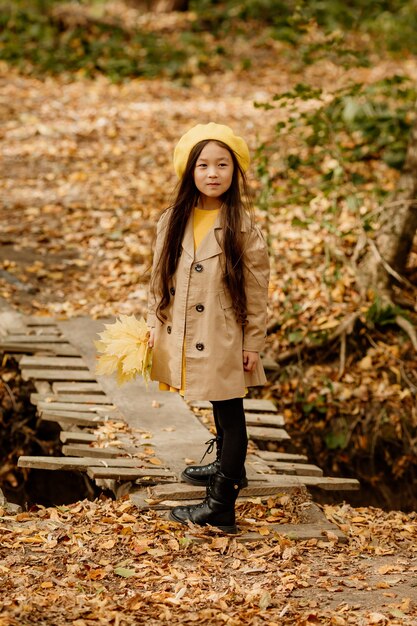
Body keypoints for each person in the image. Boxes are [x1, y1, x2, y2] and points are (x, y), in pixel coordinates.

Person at [147, 122, 270, 533]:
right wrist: (153, 323)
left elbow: (256, 292)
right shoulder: (172, 219)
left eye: (222, 165)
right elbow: (157, 279)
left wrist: (252, 341)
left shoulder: (242, 227)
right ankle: (225, 465)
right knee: (218, 405)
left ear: (234, 173)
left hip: (223, 334)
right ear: (190, 170)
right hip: (184, 329)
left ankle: (221, 503)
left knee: (230, 410)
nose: (213, 173)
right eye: (203, 165)